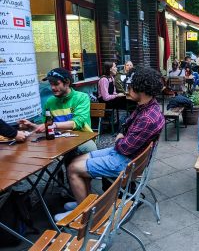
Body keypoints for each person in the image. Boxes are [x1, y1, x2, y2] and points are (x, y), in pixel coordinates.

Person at [54, 66, 165, 220]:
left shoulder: (148, 118)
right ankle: (85, 203)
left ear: (141, 89)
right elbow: (126, 125)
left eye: (130, 86)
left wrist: (119, 138)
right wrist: (121, 136)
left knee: (73, 169)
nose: (128, 89)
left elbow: (124, 147)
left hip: (126, 161)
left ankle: (84, 215)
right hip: (125, 156)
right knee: (76, 160)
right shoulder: (146, 107)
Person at [19, 68, 97, 161]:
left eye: (56, 84)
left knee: (87, 148)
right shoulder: (50, 102)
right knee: (30, 154)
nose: (52, 87)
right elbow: (46, 127)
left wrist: (53, 125)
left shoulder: (81, 97)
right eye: (51, 84)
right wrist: (31, 126)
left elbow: (77, 122)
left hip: (81, 138)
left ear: (67, 82)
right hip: (59, 140)